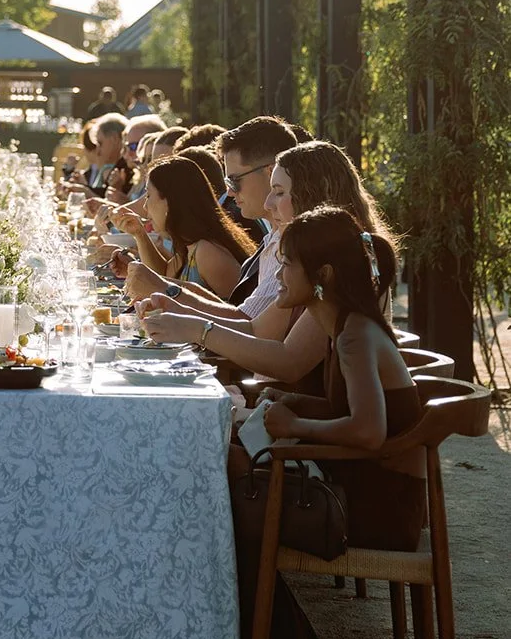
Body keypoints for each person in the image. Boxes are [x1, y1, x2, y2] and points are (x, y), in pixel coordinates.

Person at [139, 138, 400, 384]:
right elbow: (255, 327)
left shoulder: (341, 263)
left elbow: (290, 361)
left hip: (305, 415)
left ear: (314, 198)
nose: (268, 203)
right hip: (284, 402)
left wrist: (195, 328)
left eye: (278, 192)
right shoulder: (314, 258)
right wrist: (179, 313)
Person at [263, 206, 424, 548]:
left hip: (377, 514)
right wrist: (296, 402)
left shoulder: (354, 336)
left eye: (287, 264)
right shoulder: (344, 329)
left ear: (322, 275)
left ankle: (267, 603)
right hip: (358, 491)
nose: (278, 275)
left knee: (234, 484)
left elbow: (367, 431)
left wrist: (294, 426)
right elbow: (349, 410)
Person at [122, 156, 254, 300]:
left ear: (171, 200)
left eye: (148, 195)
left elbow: (240, 314)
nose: (145, 206)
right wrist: (139, 234)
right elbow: (162, 276)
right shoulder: (188, 244)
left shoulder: (207, 252)